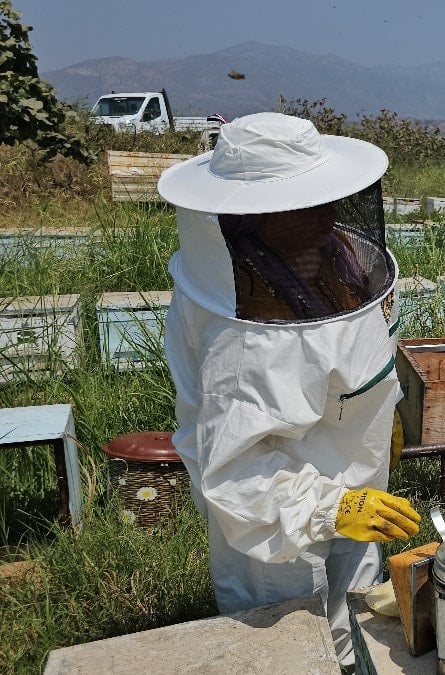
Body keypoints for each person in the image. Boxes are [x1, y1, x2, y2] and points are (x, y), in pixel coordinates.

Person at [157, 112, 420, 667]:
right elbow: (231, 472)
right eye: (304, 204)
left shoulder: (334, 260)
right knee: (287, 642)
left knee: (357, 619)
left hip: (350, 476)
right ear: (252, 219)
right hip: (269, 514)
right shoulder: (242, 338)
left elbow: (349, 354)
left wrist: (381, 412)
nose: (326, 214)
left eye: (326, 196)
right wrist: (329, 507)